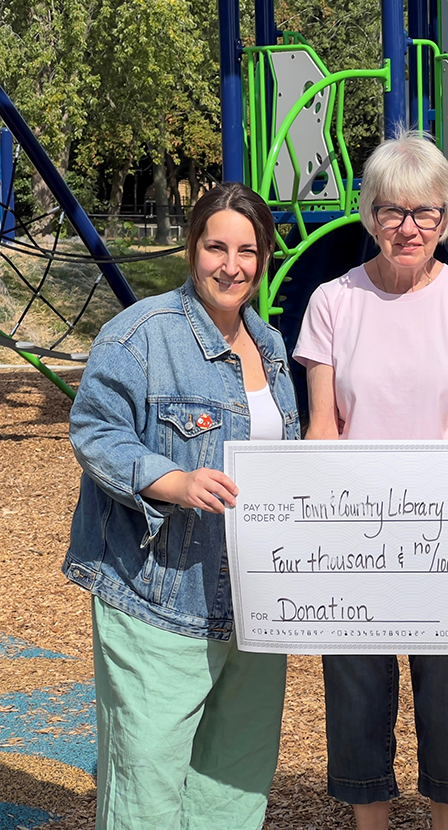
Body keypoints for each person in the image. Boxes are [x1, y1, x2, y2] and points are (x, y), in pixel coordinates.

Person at [63, 183, 300, 830]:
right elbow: (95, 431)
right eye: (216, 246)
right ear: (192, 248)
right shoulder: (141, 335)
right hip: (158, 598)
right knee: (147, 793)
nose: (232, 264)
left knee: (233, 791)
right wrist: (176, 481)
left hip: (251, 609)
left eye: (247, 250)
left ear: (264, 257)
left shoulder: (272, 347)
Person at [293, 131, 448, 830]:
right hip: (353, 529)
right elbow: (322, 428)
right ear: (368, 212)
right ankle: (370, 822)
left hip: (441, 529)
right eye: (391, 211)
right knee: (354, 683)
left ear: (447, 216)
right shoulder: (332, 302)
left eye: (425, 212)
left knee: (447, 688)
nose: (408, 228)